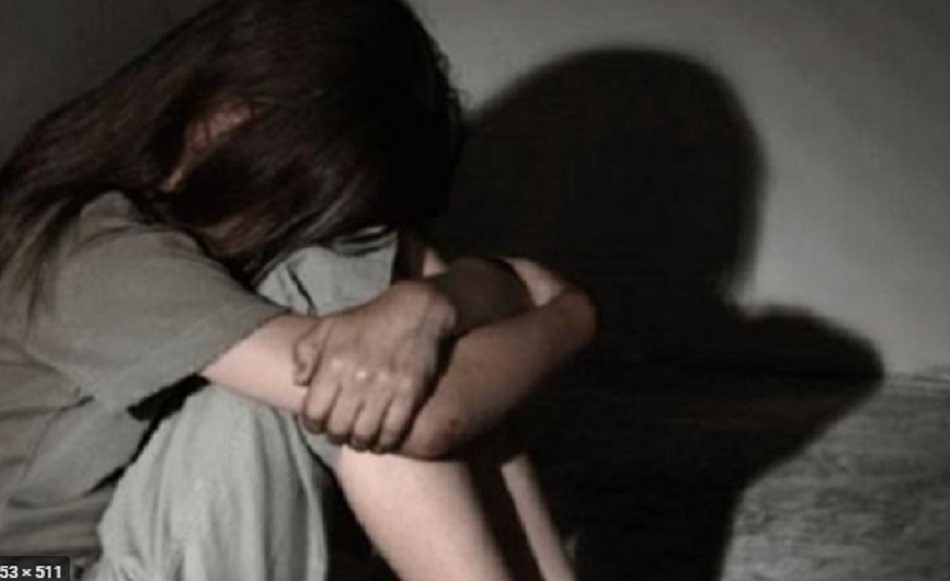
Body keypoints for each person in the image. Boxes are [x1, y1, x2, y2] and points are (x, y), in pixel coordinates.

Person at [0, 0, 596, 580]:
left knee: (369, 339)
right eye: (298, 199)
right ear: (224, 119)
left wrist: (436, 301)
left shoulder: (156, 235)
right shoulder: (95, 252)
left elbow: (420, 320)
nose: (293, 227)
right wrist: (570, 316)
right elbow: (422, 419)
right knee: (346, 362)